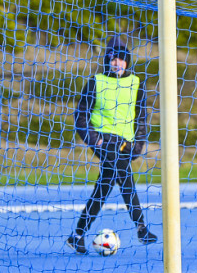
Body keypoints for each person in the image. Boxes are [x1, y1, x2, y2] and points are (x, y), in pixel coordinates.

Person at [66, 39, 157, 254]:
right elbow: (81, 117)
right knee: (124, 177)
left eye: (122, 59)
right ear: (108, 61)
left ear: (127, 61)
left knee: (105, 185)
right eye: (114, 59)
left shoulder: (137, 83)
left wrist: (138, 144)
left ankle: (77, 234)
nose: (118, 63)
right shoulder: (95, 82)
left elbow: (141, 118)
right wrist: (95, 140)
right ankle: (141, 228)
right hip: (104, 140)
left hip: (125, 143)